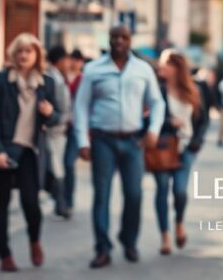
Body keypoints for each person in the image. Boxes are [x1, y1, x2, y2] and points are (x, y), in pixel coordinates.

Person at [73, 25, 164, 269]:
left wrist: (153, 130)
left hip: (134, 141)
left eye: (124, 37)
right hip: (103, 140)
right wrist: (82, 140)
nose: (119, 41)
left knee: (134, 195)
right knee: (101, 195)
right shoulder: (93, 70)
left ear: (130, 40)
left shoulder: (142, 69)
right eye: (115, 37)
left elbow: (157, 103)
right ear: (109, 39)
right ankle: (102, 248)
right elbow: (81, 106)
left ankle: (129, 240)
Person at [0, 33, 59, 272]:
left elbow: (56, 119)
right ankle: (4, 254)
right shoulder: (0, 80)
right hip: (3, 149)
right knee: (1, 202)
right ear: (13, 54)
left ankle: (34, 240)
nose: (23, 56)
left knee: (31, 201)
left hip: (30, 151)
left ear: (37, 55)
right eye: (19, 51)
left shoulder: (47, 83)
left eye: (28, 51)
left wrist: (50, 113)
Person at [152, 50, 209, 255]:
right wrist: (169, 122)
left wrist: (197, 141)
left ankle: (178, 223)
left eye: (166, 64)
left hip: (187, 148)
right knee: (161, 190)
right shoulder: (156, 90)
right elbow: (149, 117)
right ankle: (165, 237)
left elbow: (203, 120)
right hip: (163, 147)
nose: (161, 67)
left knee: (180, 191)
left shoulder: (194, 90)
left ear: (177, 67)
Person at [44, 45, 72, 219]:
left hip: (57, 129)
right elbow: (61, 107)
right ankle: (60, 203)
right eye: (66, 59)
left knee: (57, 166)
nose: (68, 63)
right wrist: (64, 119)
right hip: (54, 129)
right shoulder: (53, 79)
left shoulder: (57, 77)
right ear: (60, 60)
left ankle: (59, 202)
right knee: (56, 167)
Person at [62, 48, 86, 213]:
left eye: (78, 60)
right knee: (57, 165)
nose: (74, 63)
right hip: (59, 128)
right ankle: (60, 199)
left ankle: (68, 201)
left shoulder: (84, 80)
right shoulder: (60, 78)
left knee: (68, 163)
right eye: (72, 59)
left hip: (75, 129)